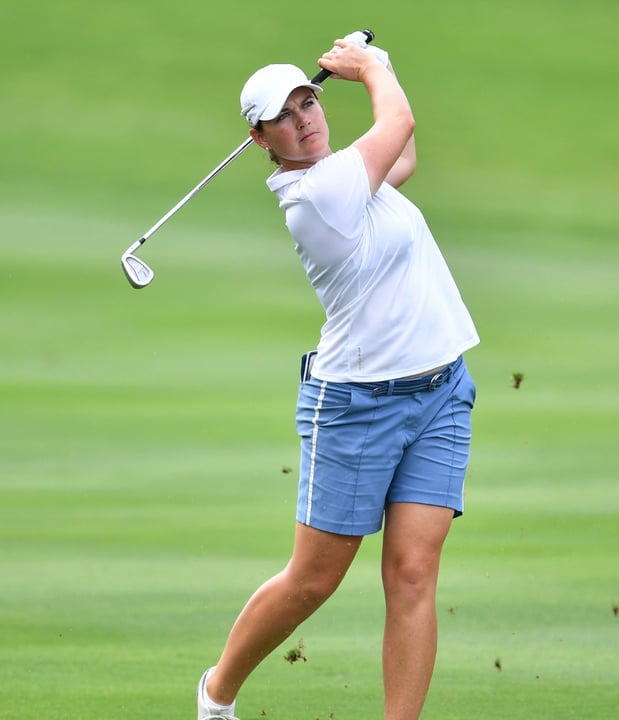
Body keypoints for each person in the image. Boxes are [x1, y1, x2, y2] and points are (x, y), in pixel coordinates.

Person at [196, 35, 479, 720]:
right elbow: (400, 125)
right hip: (356, 406)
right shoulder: (317, 196)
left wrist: (384, 74)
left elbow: (400, 150)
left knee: (413, 574)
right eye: (283, 117)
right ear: (260, 139)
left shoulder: (351, 173)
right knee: (313, 581)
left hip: (441, 392)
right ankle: (215, 695)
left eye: (308, 100)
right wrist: (371, 67)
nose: (304, 118)